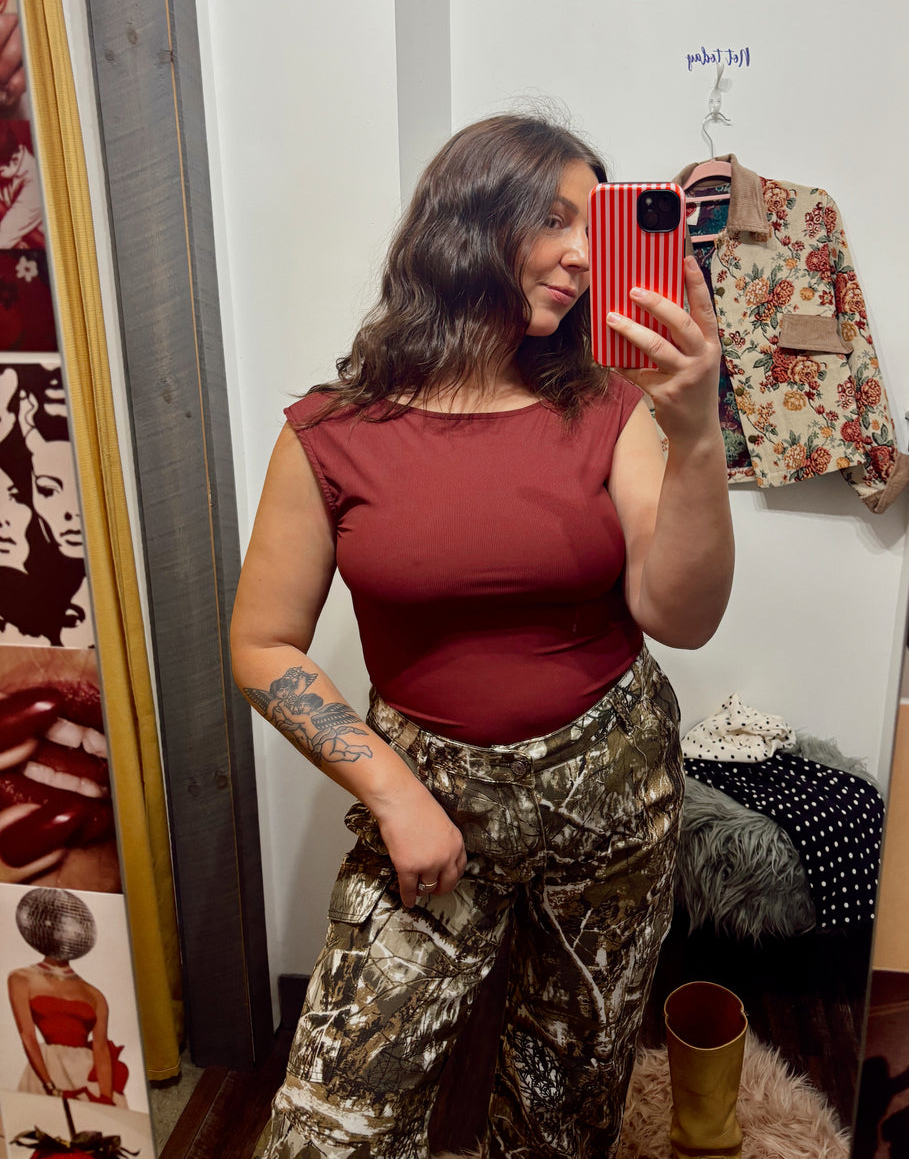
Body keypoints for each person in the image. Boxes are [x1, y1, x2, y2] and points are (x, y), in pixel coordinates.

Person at [230, 113, 734, 1159]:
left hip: (613, 803)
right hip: (428, 806)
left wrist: (694, 437)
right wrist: (393, 796)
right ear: (464, 223)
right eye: (552, 218)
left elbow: (681, 618)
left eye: (594, 223)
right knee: (330, 1130)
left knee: (562, 1106)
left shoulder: (609, 407)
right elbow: (263, 644)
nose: (583, 254)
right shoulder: (331, 431)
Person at [7, 887, 126, 1105]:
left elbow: (100, 1050)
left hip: (88, 1075)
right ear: (43, 927)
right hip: (48, 1069)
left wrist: (105, 1097)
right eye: (56, 926)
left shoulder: (94, 994)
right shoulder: (21, 979)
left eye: (68, 927)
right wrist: (49, 1085)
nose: (62, 933)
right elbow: (27, 1036)